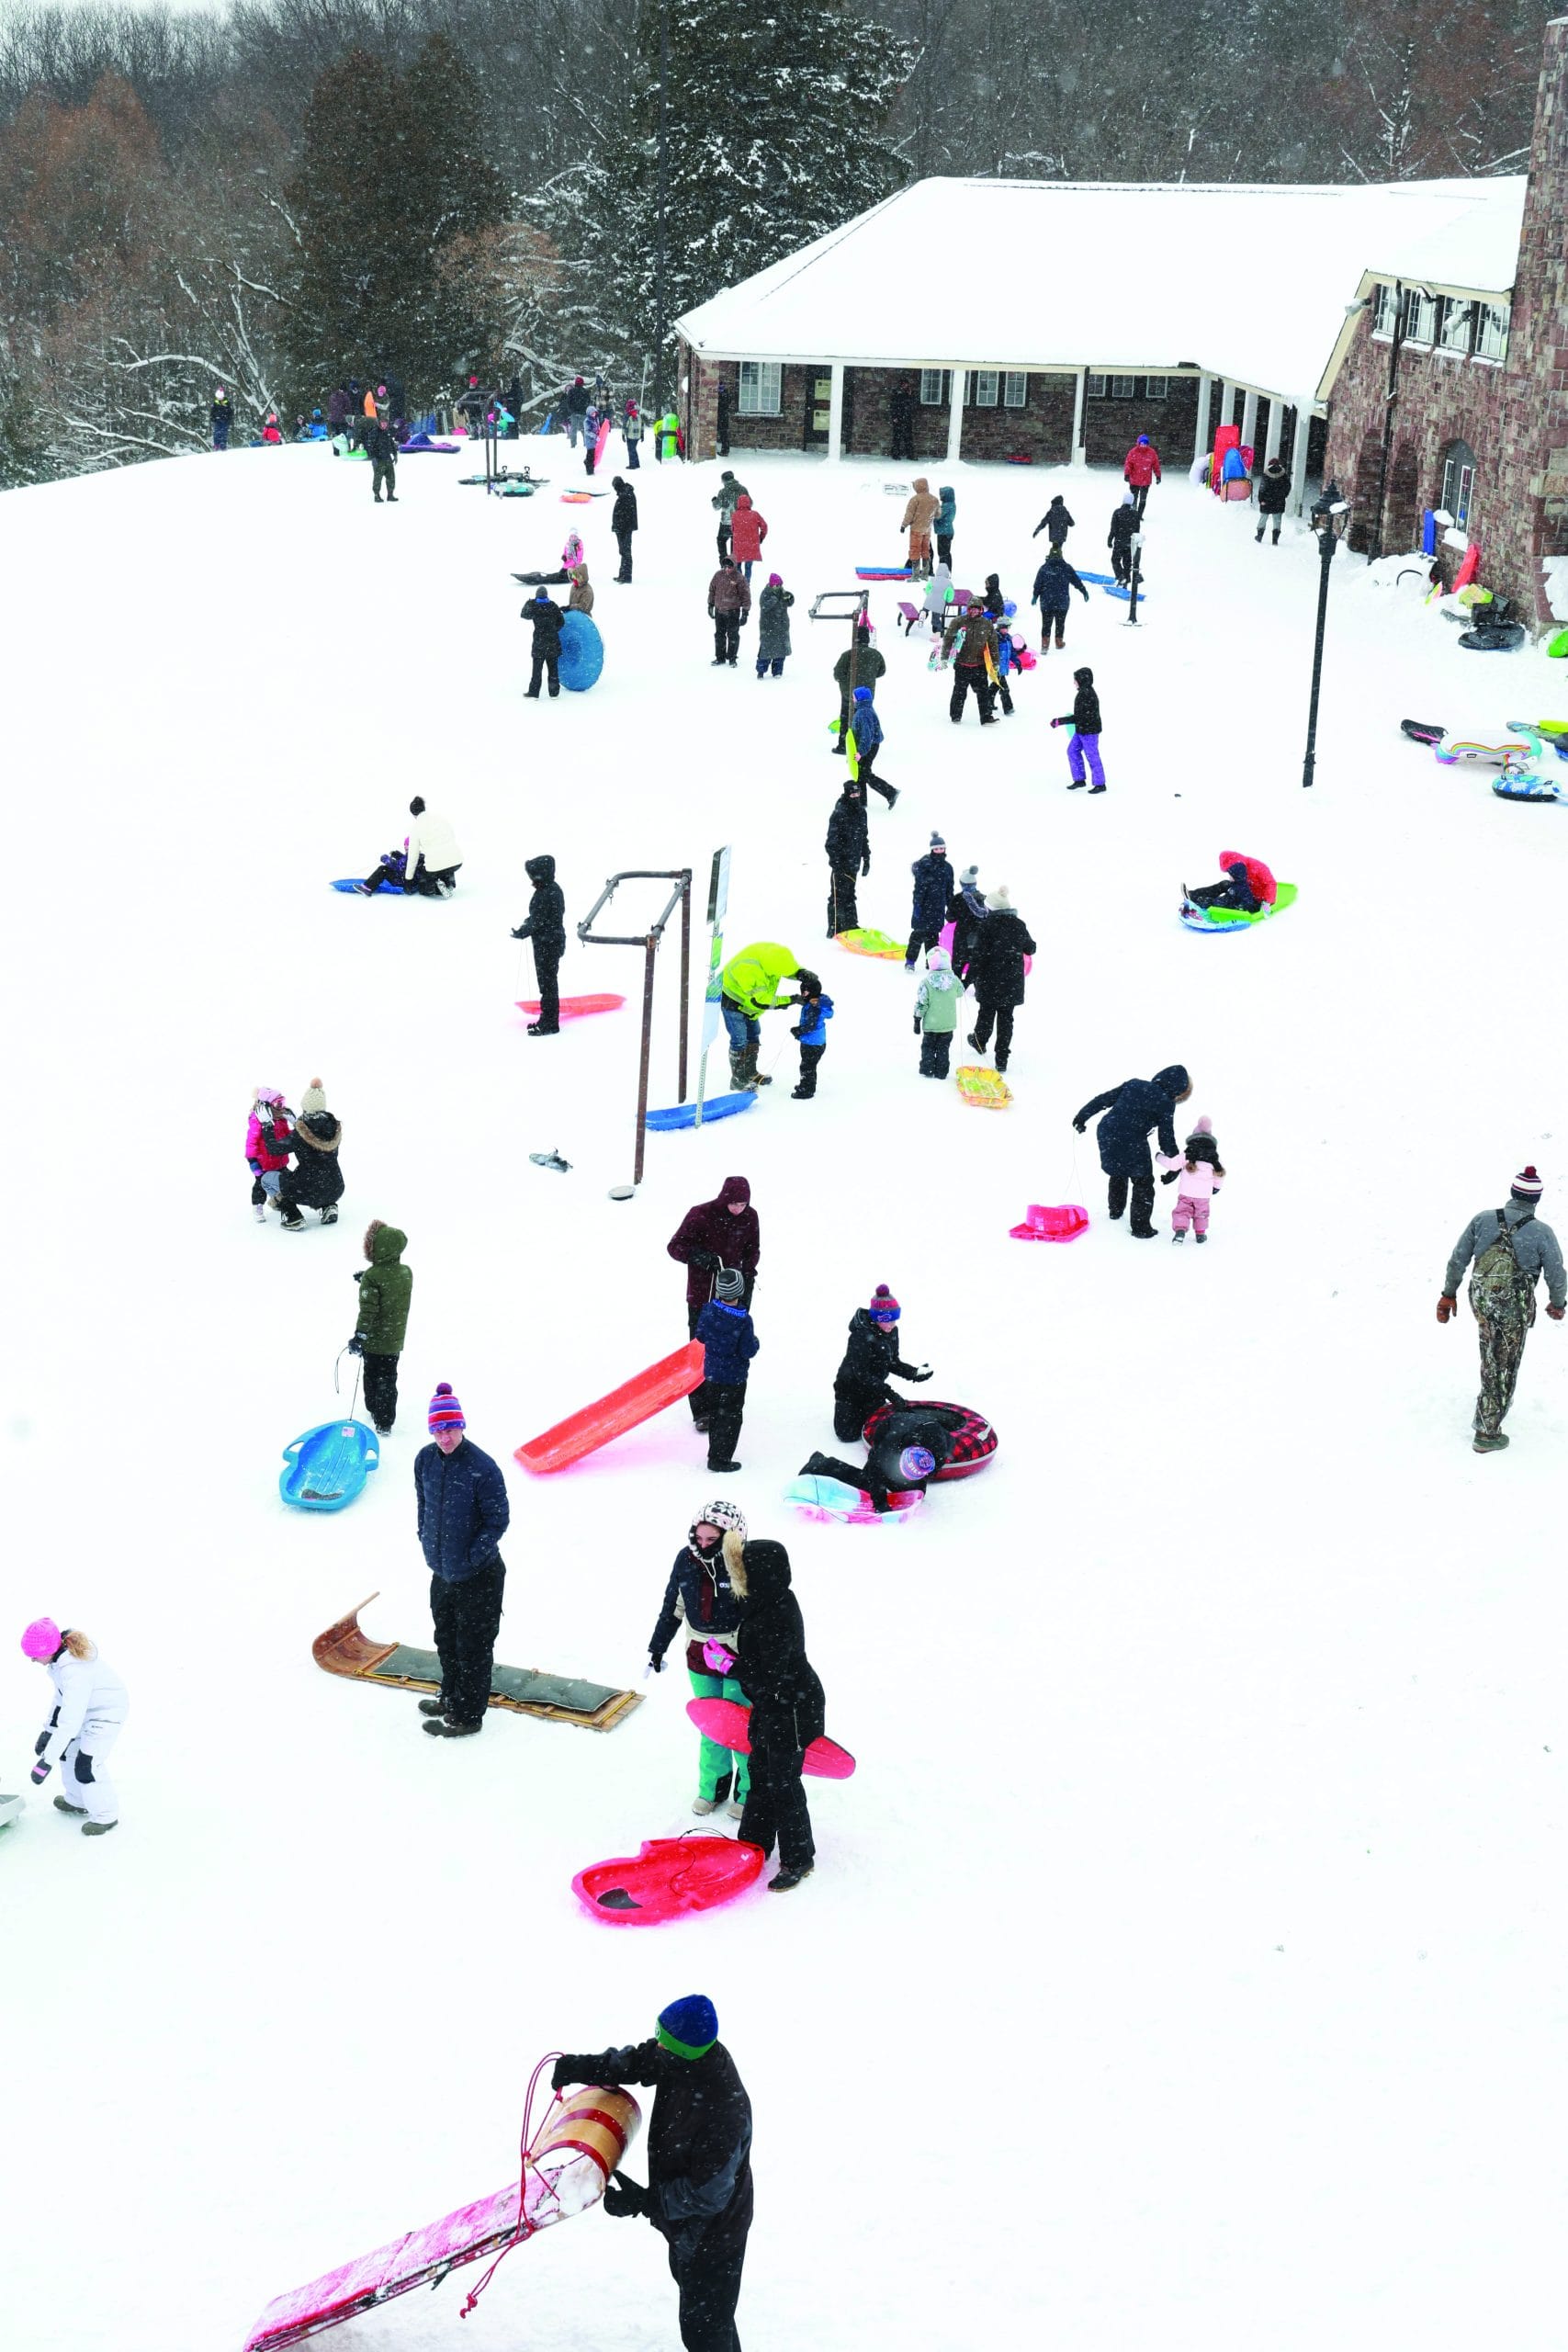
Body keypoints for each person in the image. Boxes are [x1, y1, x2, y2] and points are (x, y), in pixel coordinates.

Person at [551, 1996, 753, 2346]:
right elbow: (642, 2061)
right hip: (689, 2230)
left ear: (684, 2053)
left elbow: (708, 2194)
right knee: (706, 2320)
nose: (657, 2047)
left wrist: (644, 2201)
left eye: (665, 2044)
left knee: (706, 2330)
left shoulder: (724, 2111)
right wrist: (582, 2067)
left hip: (714, 2237)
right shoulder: (685, 2060)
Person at [1438, 1165, 1567, 1453]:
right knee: (1504, 1363)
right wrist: (1558, 1304)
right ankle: (1487, 1432)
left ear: (1512, 1193)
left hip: (1482, 1303)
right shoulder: (1541, 1232)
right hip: (1515, 1309)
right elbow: (1557, 1274)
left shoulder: (1483, 1219)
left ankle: (1488, 1415)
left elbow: (1457, 1260)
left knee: (1490, 1355)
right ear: (1536, 1200)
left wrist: (1448, 1295)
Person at [728, 1532, 824, 1891]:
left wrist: (730, 1666)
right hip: (771, 1706)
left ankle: (800, 1859)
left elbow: (768, 1674)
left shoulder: (778, 1611)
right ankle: (754, 1842)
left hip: (794, 1708)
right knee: (759, 1770)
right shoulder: (764, 1600)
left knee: (783, 1782)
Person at [413, 1382, 510, 1735]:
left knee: (473, 1647)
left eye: (449, 1429)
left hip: (478, 1575)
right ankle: (451, 1696)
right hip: (442, 1571)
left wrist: (471, 1557)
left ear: (461, 1426)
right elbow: (423, 1504)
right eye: (437, 1430)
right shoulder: (424, 1459)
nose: (444, 1437)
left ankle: (468, 1715)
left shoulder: (482, 1467)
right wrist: (425, 1538)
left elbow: (498, 1520)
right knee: (446, 1639)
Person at [649, 1499, 750, 1814]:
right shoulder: (686, 1560)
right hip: (700, 1653)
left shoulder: (744, 1561)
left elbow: (759, 1612)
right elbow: (674, 1604)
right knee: (712, 1726)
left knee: (740, 1727)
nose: (703, 1545)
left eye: (712, 1540)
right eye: (699, 1538)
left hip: (737, 1655)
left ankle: (748, 1793)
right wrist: (658, 1645)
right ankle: (712, 1789)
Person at [669, 1177, 761, 1429]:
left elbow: (754, 1249)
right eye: (733, 1204)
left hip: (736, 1293)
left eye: (742, 1204)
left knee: (730, 1348)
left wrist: (745, 1270)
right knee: (700, 1347)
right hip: (703, 1293)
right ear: (723, 1198)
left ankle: (725, 1402)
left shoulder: (750, 1217)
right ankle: (701, 1411)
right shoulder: (700, 1215)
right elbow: (675, 1247)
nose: (738, 1209)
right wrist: (701, 1258)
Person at [23, 1620, 128, 1836]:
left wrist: (45, 1762)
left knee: (87, 1764)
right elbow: (61, 1700)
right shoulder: (58, 1663)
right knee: (67, 1753)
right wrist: (48, 1731)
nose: (32, 1660)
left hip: (105, 1714)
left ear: (48, 1650)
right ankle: (78, 1800)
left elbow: (69, 1724)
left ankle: (106, 1815)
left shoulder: (75, 1671)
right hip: (84, 1710)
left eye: (34, 1654)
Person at [1073, 1065, 1193, 1237]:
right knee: (1142, 1182)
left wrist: (1082, 1116)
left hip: (1107, 1131)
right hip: (1131, 1139)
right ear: (1178, 1090)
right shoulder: (1166, 1103)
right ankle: (1141, 1228)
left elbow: (1104, 1099)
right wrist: (1175, 1164)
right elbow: (1166, 1138)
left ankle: (1115, 1210)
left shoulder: (1134, 1084)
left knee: (1119, 1170)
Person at [801, 1400, 951, 1514]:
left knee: (914, 1492)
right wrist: (880, 1504)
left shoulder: (940, 1450)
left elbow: (932, 1469)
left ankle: (904, 1478)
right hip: (889, 1427)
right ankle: (821, 1463)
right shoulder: (891, 1445)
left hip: (917, 1429)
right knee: (868, 1481)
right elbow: (876, 1471)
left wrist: (922, 1476)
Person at [831, 1283, 931, 1438]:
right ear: (876, 1317)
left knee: (878, 1429)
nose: (892, 1324)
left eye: (895, 1318)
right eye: (887, 1319)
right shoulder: (860, 1336)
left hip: (873, 1390)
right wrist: (890, 1394)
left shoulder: (892, 1331)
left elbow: (892, 1362)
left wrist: (913, 1373)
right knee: (848, 1435)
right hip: (850, 1390)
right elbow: (861, 1374)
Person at [349, 1220, 412, 1430]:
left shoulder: (373, 1277)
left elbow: (369, 1310)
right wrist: (366, 1278)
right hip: (394, 1339)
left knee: (372, 1375)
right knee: (388, 1378)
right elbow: (390, 1288)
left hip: (375, 1340)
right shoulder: (406, 1272)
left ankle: (373, 1408)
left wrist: (360, 1335)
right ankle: (385, 1421)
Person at [964, 886, 1034, 1073]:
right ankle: (1002, 1058)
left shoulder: (987, 926)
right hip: (1011, 983)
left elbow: (977, 957)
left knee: (986, 1013)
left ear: (991, 909)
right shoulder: (1019, 924)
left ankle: (980, 1042)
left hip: (989, 980)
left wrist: (967, 979)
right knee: (1006, 1019)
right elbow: (1031, 948)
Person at [695, 1268, 758, 1474]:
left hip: (712, 1375)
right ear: (740, 1291)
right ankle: (721, 1459)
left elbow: (701, 1336)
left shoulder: (708, 1311)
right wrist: (755, 1343)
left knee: (715, 1414)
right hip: (734, 1378)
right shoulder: (743, 1321)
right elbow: (747, 1350)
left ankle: (715, 1452)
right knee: (730, 1417)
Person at [717, 944, 799, 1090]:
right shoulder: (749, 970)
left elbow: (789, 968)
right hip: (734, 1003)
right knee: (739, 1040)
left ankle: (750, 1073)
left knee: (753, 1036)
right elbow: (761, 1000)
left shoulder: (773, 959)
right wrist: (791, 1000)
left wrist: (802, 974)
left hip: (750, 1003)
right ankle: (737, 1080)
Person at [359, 797, 461, 896]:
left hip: (405, 879)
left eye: (407, 846)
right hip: (456, 861)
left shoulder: (416, 828)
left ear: (413, 812)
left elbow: (410, 859)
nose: (406, 848)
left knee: (385, 870)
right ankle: (449, 882)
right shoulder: (440, 819)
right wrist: (398, 855)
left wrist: (387, 860)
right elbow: (449, 840)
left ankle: (367, 888)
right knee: (445, 866)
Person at [278, 1076, 344, 1231]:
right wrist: (297, 1123)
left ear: (305, 1108)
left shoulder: (299, 1134)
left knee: (282, 1178)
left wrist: (267, 1125)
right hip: (336, 1186)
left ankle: (293, 1216)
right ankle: (329, 1206)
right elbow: (315, 1131)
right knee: (322, 1177)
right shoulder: (333, 1126)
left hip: (309, 1189)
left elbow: (275, 1149)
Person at [511, 853, 567, 1034]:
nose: (531, 880)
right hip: (550, 942)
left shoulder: (547, 893)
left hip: (548, 944)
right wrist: (527, 925)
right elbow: (538, 918)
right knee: (548, 984)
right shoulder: (550, 889)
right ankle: (547, 1019)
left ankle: (549, 1023)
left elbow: (539, 920)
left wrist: (523, 931)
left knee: (548, 985)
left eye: (532, 876)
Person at [1168, 1115, 1224, 1246]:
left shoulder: (1187, 1154)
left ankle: (1180, 1230)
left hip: (1186, 1192)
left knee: (1182, 1211)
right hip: (1203, 1195)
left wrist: (1158, 1157)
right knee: (1201, 1213)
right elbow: (1220, 1174)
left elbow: (1172, 1165)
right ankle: (1200, 1233)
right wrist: (1216, 1187)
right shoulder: (1215, 1157)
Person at [832, 616, 885, 752]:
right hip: (867, 694)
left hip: (849, 693)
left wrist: (845, 682)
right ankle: (864, 745)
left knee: (847, 718)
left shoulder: (848, 654)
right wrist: (869, 677)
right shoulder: (876, 655)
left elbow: (837, 673)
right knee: (865, 719)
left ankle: (844, 745)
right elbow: (881, 671)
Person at [825, 775, 869, 937]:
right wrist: (836, 863)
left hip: (854, 863)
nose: (856, 797)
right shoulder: (839, 813)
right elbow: (831, 842)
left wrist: (867, 857)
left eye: (858, 794)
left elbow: (864, 837)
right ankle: (834, 926)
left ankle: (851, 923)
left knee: (850, 894)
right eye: (853, 795)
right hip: (841, 863)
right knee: (837, 895)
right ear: (846, 794)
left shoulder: (862, 813)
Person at [942, 601, 998, 725]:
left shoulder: (987, 624)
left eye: (977, 609)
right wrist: (944, 657)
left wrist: (995, 662)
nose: (974, 611)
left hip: (980, 665)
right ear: (968, 609)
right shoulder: (958, 621)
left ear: (981, 610)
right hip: (962, 665)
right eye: (972, 609)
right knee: (959, 692)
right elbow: (948, 639)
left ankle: (986, 717)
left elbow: (993, 644)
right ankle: (955, 716)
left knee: (983, 693)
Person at [907, 832, 954, 970]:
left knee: (933, 937)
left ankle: (931, 963)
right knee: (918, 934)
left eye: (941, 848)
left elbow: (949, 889)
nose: (939, 851)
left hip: (938, 907)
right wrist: (917, 906)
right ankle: (910, 961)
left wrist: (950, 907)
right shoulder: (925, 864)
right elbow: (919, 888)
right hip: (923, 905)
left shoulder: (948, 868)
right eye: (936, 849)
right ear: (932, 849)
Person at [1053, 665, 1105, 791]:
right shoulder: (1083, 692)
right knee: (1072, 751)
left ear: (1082, 680)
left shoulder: (1086, 694)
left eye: (1076, 679)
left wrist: (1060, 721)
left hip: (1089, 731)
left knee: (1092, 756)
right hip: (1081, 730)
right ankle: (1079, 779)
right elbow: (1080, 717)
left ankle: (1100, 784)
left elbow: (1079, 717)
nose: (1074, 682)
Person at [245, 1085, 292, 1221]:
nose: (282, 1107)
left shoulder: (281, 1119)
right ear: (266, 1106)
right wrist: (253, 1161)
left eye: (282, 1102)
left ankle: (279, 1201)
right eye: (278, 1103)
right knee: (260, 1186)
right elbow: (251, 1142)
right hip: (263, 1163)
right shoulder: (257, 1121)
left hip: (280, 1160)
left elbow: (287, 1135)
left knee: (285, 1182)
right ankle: (257, 1206)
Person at [914, 946, 962, 1080]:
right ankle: (942, 1071)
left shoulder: (926, 983)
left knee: (928, 1046)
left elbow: (922, 1003)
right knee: (943, 1048)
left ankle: (927, 1068)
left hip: (931, 1024)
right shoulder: (954, 981)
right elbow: (960, 992)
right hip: (947, 1024)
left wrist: (917, 1019)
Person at [1183, 850, 1276, 916]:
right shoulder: (1240, 868)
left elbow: (1271, 883)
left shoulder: (1258, 867)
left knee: (1228, 900)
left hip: (1256, 898)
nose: (1229, 875)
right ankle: (1193, 895)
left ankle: (1202, 902)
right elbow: (1239, 883)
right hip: (1244, 888)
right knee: (1225, 884)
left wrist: (1267, 903)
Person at [1032, 547, 1089, 653]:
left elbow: (1038, 584)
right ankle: (1059, 642)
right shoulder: (1066, 568)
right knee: (1060, 623)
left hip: (1046, 602)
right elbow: (1076, 581)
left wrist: (1035, 596)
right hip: (1062, 602)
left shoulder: (1044, 568)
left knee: (1046, 623)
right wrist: (1084, 591)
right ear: (1061, 555)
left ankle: (1045, 645)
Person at [850, 684, 897, 808]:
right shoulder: (864, 709)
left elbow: (867, 736)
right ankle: (862, 802)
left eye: (854, 697)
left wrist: (860, 752)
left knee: (864, 774)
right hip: (869, 746)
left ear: (860, 699)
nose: (852, 699)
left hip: (869, 747)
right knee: (861, 773)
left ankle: (890, 792)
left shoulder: (863, 713)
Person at [789, 971, 832, 1099]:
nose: (804, 995)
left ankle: (806, 1090)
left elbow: (811, 1025)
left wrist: (798, 1031)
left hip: (812, 1043)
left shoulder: (815, 1007)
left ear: (813, 992)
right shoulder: (815, 1002)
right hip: (815, 1042)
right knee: (809, 1066)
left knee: (807, 1067)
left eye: (806, 992)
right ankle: (807, 1084)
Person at [707, 557, 750, 669]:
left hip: (733, 611)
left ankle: (732, 658)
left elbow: (746, 596)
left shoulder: (739, 578)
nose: (727, 569)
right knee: (719, 635)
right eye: (725, 566)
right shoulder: (718, 575)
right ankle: (720, 657)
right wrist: (710, 605)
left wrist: (745, 612)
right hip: (719, 611)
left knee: (733, 636)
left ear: (734, 566)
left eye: (730, 566)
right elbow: (712, 590)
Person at [524, 587, 566, 698]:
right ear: (547, 595)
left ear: (537, 595)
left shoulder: (534, 606)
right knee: (553, 670)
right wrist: (553, 630)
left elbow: (524, 615)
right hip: (552, 642)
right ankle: (554, 693)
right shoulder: (553, 606)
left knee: (537, 670)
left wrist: (528, 603)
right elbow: (562, 622)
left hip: (539, 643)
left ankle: (533, 693)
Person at [946, 863, 986, 984]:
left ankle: (957, 986)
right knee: (977, 963)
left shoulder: (958, 899)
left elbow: (950, 918)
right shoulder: (983, 898)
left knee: (958, 963)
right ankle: (973, 985)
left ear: (962, 884)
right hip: (979, 937)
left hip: (962, 936)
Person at [900, 475, 940, 576]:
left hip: (916, 529)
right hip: (927, 530)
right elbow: (938, 514)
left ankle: (915, 574)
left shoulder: (915, 499)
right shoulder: (934, 499)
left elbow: (909, 514)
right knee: (926, 550)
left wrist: (904, 525)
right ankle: (926, 573)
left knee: (915, 550)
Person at [755, 572, 792, 677]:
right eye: (776, 585)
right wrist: (774, 600)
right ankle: (761, 671)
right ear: (771, 585)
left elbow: (790, 602)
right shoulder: (765, 593)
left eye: (779, 585)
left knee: (780, 651)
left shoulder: (782, 592)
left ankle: (777, 672)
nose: (778, 587)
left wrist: (790, 597)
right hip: (768, 627)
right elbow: (764, 607)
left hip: (781, 627)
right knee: (765, 650)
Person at [710, 468, 749, 560]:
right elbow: (750, 503)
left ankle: (724, 563)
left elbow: (717, 507)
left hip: (726, 523)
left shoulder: (723, 492)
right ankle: (733, 564)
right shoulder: (743, 489)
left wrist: (714, 501)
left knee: (721, 541)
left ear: (724, 480)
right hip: (740, 522)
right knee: (734, 544)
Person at [729, 492, 767, 581]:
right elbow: (764, 527)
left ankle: (741, 584)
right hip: (751, 545)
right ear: (749, 503)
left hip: (739, 545)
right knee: (748, 567)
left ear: (738, 503)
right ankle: (746, 584)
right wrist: (761, 537)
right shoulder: (755, 514)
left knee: (738, 565)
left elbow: (732, 529)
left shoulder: (735, 515)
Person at [1124, 433, 1162, 516]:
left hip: (1146, 480)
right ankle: (1133, 513)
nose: (1143, 445)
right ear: (1138, 443)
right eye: (1141, 443)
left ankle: (1139, 515)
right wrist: (1127, 474)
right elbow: (1128, 464)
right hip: (1134, 480)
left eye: (1145, 444)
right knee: (1134, 497)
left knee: (1143, 499)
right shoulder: (1133, 452)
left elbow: (1156, 465)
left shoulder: (1152, 453)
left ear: (1147, 444)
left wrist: (1158, 476)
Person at [366, 408, 398, 502]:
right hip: (378, 460)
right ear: (379, 423)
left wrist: (395, 454)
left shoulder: (387, 432)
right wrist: (373, 458)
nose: (384, 425)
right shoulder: (374, 432)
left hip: (388, 459)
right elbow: (369, 446)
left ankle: (390, 495)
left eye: (386, 423)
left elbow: (391, 443)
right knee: (377, 479)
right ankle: (377, 495)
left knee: (391, 478)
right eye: (383, 423)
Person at [1256, 455, 1289, 545]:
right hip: (1279, 501)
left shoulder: (1266, 474)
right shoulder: (1284, 475)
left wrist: (1261, 499)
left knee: (1263, 518)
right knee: (1277, 519)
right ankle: (1275, 539)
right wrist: (1283, 495)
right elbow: (1287, 487)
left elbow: (1262, 488)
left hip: (1266, 500)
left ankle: (1259, 536)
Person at [611, 474, 638, 582]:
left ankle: (626, 576)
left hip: (624, 529)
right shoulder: (626, 493)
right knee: (623, 551)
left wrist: (619, 527)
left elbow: (625, 515)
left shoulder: (626, 495)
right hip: (623, 528)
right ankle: (623, 574)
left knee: (625, 551)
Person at [1108, 495, 1140, 586]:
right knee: (1127, 562)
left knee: (1115, 560)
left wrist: (1110, 540)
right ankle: (1126, 579)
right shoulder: (1136, 514)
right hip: (1130, 542)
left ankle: (1121, 577)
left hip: (1119, 541)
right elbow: (1137, 530)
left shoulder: (1117, 512)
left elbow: (1113, 528)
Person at [890, 376, 916, 459]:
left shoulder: (909, 393)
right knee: (897, 437)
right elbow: (894, 405)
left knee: (908, 437)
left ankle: (910, 454)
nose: (905, 386)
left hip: (907, 417)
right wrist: (894, 416)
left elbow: (912, 404)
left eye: (906, 384)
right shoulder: (897, 392)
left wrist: (910, 395)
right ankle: (895, 454)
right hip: (899, 417)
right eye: (904, 384)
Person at [562, 375, 591, 447]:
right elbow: (588, 402)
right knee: (584, 429)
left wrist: (571, 410)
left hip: (574, 413)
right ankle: (586, 443)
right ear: (582, 383)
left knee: (573, 429)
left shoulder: (571, 391)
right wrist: (585, 409)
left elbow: (568, 402)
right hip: (583, 413)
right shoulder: (585, 391)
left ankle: (573, 444)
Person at [935, 483, 956, 569]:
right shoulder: (950, 504)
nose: (941, 496)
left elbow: (938, 516)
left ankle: (944, 571)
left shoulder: (947, 506)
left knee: (943, 553)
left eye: (942, 494)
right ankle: (946, 570)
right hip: (947, 531)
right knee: (946, 552)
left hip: (944, 532)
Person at [623, 401, 644, 469]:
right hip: (637, 436)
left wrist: (623, 435)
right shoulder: (638, 415)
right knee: (634, 449)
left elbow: (625, 426)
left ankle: (632, 465)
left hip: (630, 436)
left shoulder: (628, 415)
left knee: (631, 450)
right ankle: (637, 463)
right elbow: (642, 426)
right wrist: (642, 435)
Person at [210, 386, 232, 450]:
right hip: (217, 420)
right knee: (216, 433)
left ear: (223, 397)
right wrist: (212, 417)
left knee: (224, 433)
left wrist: (228, 418)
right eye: (218, 397)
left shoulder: (227, 402)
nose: (219, 398)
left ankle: (223, 445)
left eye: (220, 397)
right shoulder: (215, 403)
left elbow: (230, 412)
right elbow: (213, 411)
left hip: (225, 420)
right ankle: (216, 445)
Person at [716, 374, 731, 455]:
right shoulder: (725, 393)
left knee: (723, 435)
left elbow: (723, 404)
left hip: (722, 417)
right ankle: (725, 450)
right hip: (723, 416)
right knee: (724, 435)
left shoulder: (723, 394)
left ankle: (725, 450)